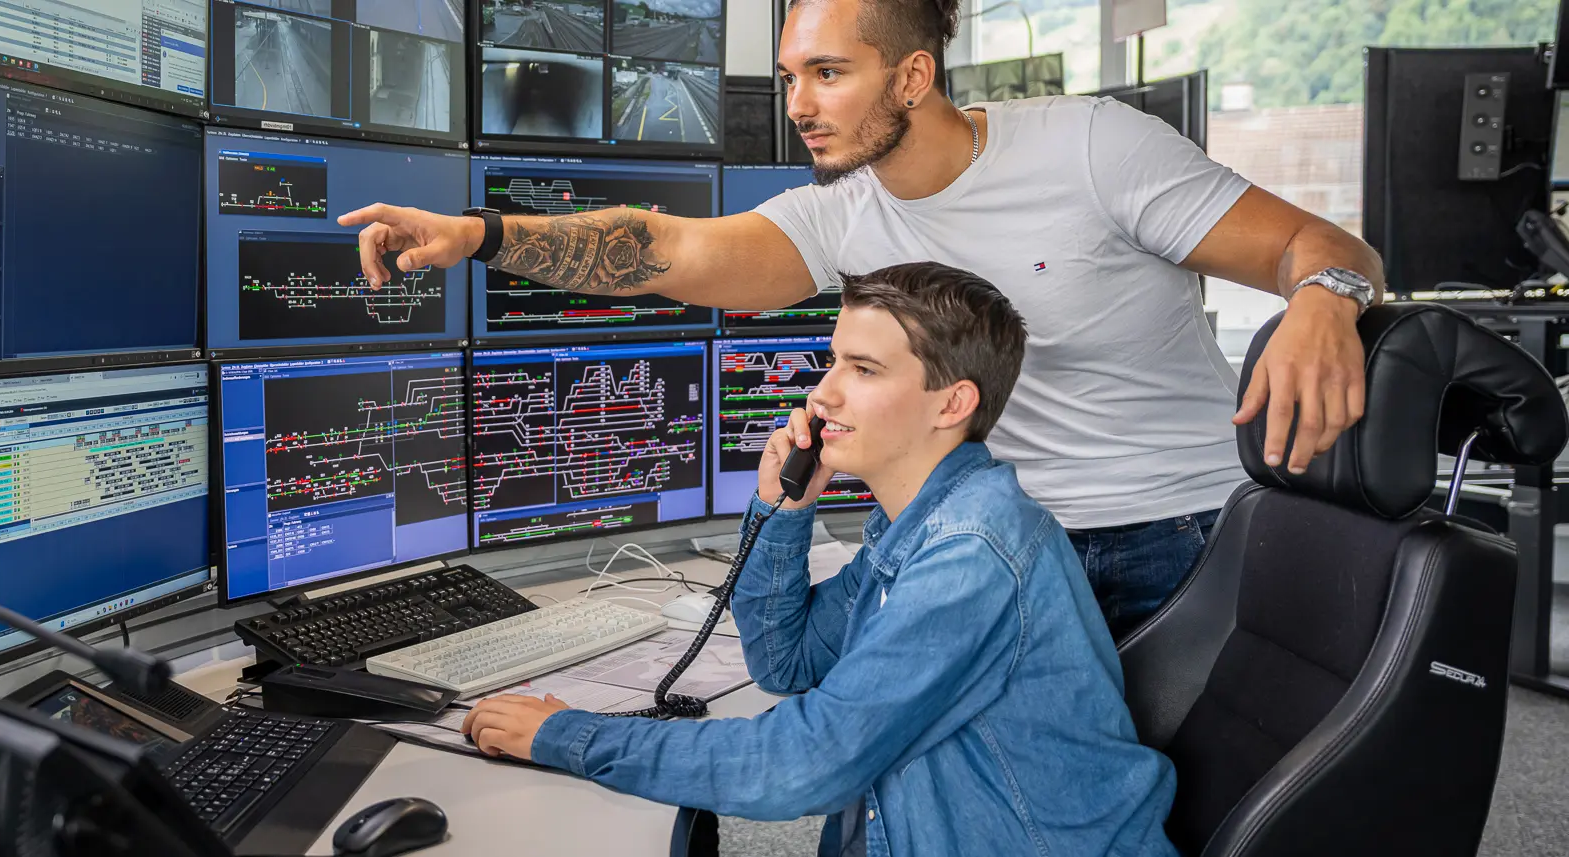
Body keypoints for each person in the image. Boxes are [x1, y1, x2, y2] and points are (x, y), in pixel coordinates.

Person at [340, 0, 1383, 637]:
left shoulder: (1093, 146)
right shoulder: (842, 213)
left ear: (913, 74)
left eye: (828, 74)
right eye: (792, 75)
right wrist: (477, 234)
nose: (799, 102)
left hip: (1167, 535)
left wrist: (1320, 305)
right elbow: (664, 250)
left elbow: (1327, 250)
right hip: (980, 537)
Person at [462, 262, 1179, 857]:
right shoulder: (915, 525)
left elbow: (803, 764)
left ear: (951, 402)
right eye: (835, 359)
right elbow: (789, 661)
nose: (824, 390)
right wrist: (785, 511)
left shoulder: (970, 554)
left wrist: (569, 736)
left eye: (863, 369)